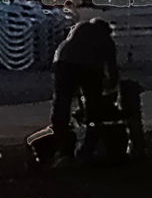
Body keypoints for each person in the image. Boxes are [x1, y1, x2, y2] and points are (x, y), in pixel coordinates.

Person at [48, 17, 120, 161]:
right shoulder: (106, 40)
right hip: (86, 66)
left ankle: (59, 125)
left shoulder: (79, 29)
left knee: (62, 98)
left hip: (63, 61)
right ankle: (93, 122)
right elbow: (111, 67)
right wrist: (112, 86)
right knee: (93, 98)